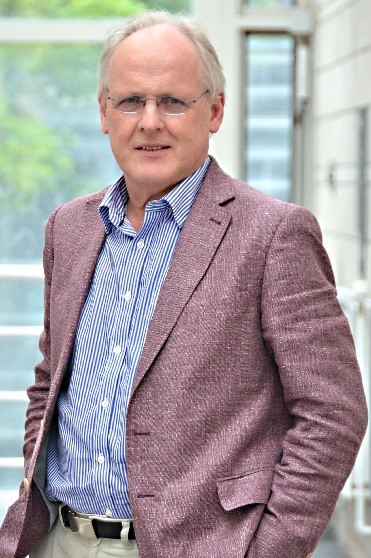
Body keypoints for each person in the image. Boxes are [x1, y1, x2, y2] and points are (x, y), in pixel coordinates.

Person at [0, 10, 368, 558]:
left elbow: (334, 413)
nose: (150, 122)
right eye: (130, 101)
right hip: (59, 539)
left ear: (215, 110)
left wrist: (269, 550)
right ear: (103, 112)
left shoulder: (273, 235)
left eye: (173, 101)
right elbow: (51, 380)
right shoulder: (69, 229)